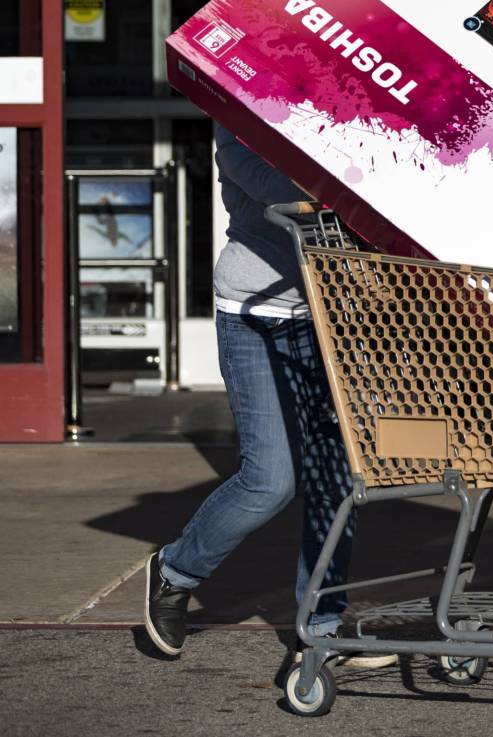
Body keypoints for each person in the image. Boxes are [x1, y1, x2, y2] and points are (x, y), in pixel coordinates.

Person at [143, 126, 393, 669]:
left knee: (336, 478)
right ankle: (175, 571)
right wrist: (362, 178)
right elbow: (274, 186)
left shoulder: (345, 115)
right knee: (270, 480)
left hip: (334, 318)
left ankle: (320, 626)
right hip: (256, 317)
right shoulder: (240, 118)